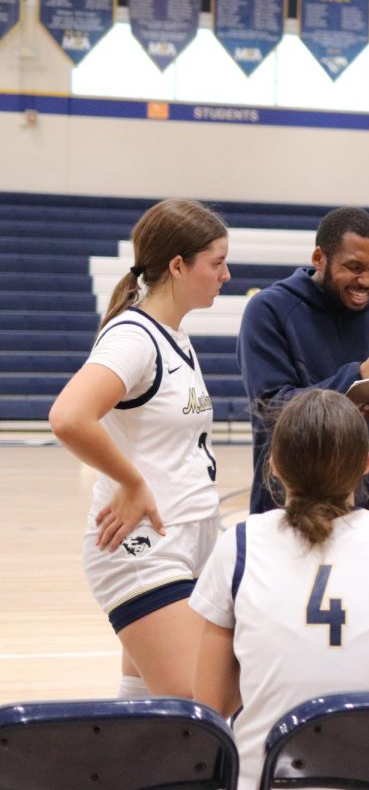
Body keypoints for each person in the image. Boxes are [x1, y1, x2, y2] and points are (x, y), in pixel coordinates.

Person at [191, 390, 369, 790]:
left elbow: (210, 707)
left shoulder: (238, 545)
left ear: (274, 466)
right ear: (367, 464)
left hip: (267, 779)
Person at [48, 199, 231, 698]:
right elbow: (68, 417)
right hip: (144, 548)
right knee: (208, 712)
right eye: (216, 262)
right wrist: (131, 482)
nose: (227, 274)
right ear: (178, 265)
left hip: (190, 539)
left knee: (151, 717)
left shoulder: (175, 335)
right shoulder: (133, 337)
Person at [237, 207, 369, 520]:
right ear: (319, 258)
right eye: (354, 267)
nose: (366, 280)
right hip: (291, 515)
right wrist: (358, 377)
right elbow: (271, 412)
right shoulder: (269, 310)